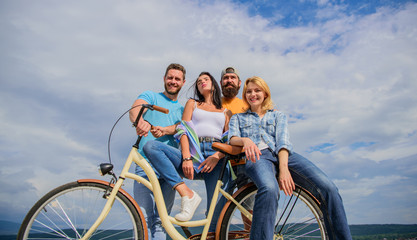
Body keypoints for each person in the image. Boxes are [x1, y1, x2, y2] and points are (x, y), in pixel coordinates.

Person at [228, 76, 352, 240]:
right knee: (269, 188)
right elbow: (232, 138)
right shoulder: (238, 118)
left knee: (328, 188)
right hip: (258, 157)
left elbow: (283, 143)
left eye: (257, 90)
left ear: (265, 93)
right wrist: (245, 140)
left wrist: (284, 169)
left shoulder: (278, 116)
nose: (253, 94)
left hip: (283, 155)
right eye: (249, 91)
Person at [143, 72, 232, 230]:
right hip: (193, 155)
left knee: (215, 216)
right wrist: (186, 157)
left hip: (216, 158)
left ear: (213, 84)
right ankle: (187, 193)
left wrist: (217, 156)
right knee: (151, 146)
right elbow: (182, 130)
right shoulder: (193, 103)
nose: (202, 82)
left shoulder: (226, 112)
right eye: (199, 81)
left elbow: (228, 140)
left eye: (206, 79)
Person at [129, 63, 186, 240]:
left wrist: (168, 130)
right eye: (170, 77)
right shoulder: (151, 97)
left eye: (177, 79)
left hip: (169, 168)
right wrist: (139, 121)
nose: (173, 81)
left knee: (162, 222)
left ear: (183, 82)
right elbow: (135, 108)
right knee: (142, 220)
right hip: (145, 164)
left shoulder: (183, 110)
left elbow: (183, 130)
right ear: (164, 79)